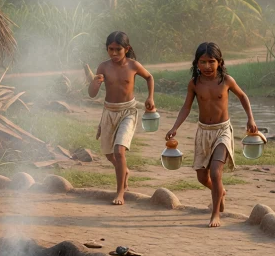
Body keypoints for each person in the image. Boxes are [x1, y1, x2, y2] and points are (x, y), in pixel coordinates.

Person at [165, 42, 258, 227]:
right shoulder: (194, 84)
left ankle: (215, 213)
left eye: (211, 61)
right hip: (203, 132)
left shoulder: (226, 81)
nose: (207, 66)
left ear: (220, 62)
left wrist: (251, 119)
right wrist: (175, 127)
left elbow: (243, 96)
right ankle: (220, 191)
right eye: (203, 62)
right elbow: (186, 107)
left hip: (222, 130)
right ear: (196, 63)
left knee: (216, 173)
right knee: (202, 177)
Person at [88, 31, 156, 205]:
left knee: (119, 151)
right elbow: (92, 94)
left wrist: (150, 98)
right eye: (110, 49)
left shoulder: (133, 65)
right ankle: (124, 171)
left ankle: (120, 192)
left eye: (118, 49)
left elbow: (149, 77)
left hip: (128, 112)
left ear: (127, 49)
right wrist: (94, 84)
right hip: (109, 111)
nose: (114, 54)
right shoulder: (103, 67)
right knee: (110, 154)